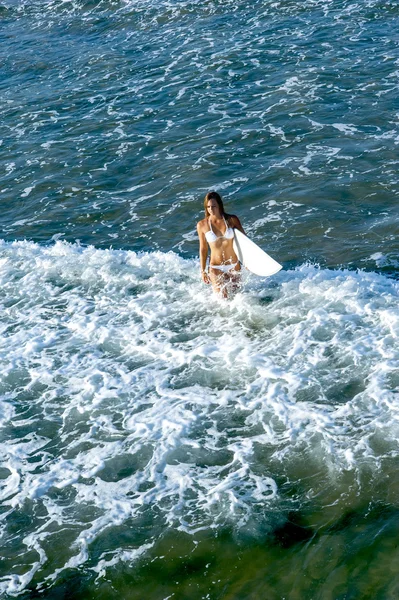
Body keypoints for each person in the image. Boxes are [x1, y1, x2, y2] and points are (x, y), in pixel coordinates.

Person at [197, 191, 245, 297]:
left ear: (219, 205)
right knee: (223, 299)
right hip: (215, 266)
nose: (211, 209)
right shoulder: (202, 225)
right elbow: (203, 249)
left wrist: (248, 263)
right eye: (208, 207)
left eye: (214, 206)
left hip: (233, 265)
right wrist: (203, 271)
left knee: (238, 298)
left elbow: (245, 241)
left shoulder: (231, 220)